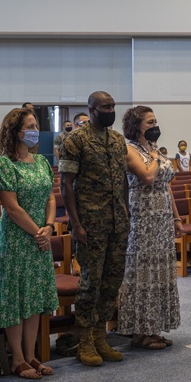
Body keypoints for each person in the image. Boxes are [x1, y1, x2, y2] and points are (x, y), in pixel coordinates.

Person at [59, 91, 129, 367]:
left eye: (113, 106)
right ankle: (85, 339)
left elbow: (123, 179)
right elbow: (66, 184)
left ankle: (101, 335)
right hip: (90, 222)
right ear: (91, 109)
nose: (111, 110)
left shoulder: (117, 140)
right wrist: (75, 223)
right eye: (105, 107)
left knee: (112, 282)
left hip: (116, 221)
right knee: (90, 283)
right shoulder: (75, 139)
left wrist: (126, 212)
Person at [0, 107, 60, 379]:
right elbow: (11, 206)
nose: (34, 130)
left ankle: (31, 354)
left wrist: (49, 227)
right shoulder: (5, 164)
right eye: (29, 126)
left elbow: (51, 198)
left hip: (41, 239)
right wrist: (37, 233)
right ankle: (17, 358)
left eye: (35, 126)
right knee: (15, 299)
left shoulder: (41, 162)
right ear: (15, 131)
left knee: (34, 299)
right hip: (18, 239)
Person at [118, 106, 182, 349]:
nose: (155, 125)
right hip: (142, 217)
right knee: (143, 272)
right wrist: (155, 157)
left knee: (160, 271)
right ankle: (139, 332)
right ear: (137, 126)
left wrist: (176, 217)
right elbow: (146, 176)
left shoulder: (154, 150)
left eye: (155, 121)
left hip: (162, 216)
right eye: (150, 122)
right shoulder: (129, 149)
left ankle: (154, 328)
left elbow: (166, 186)